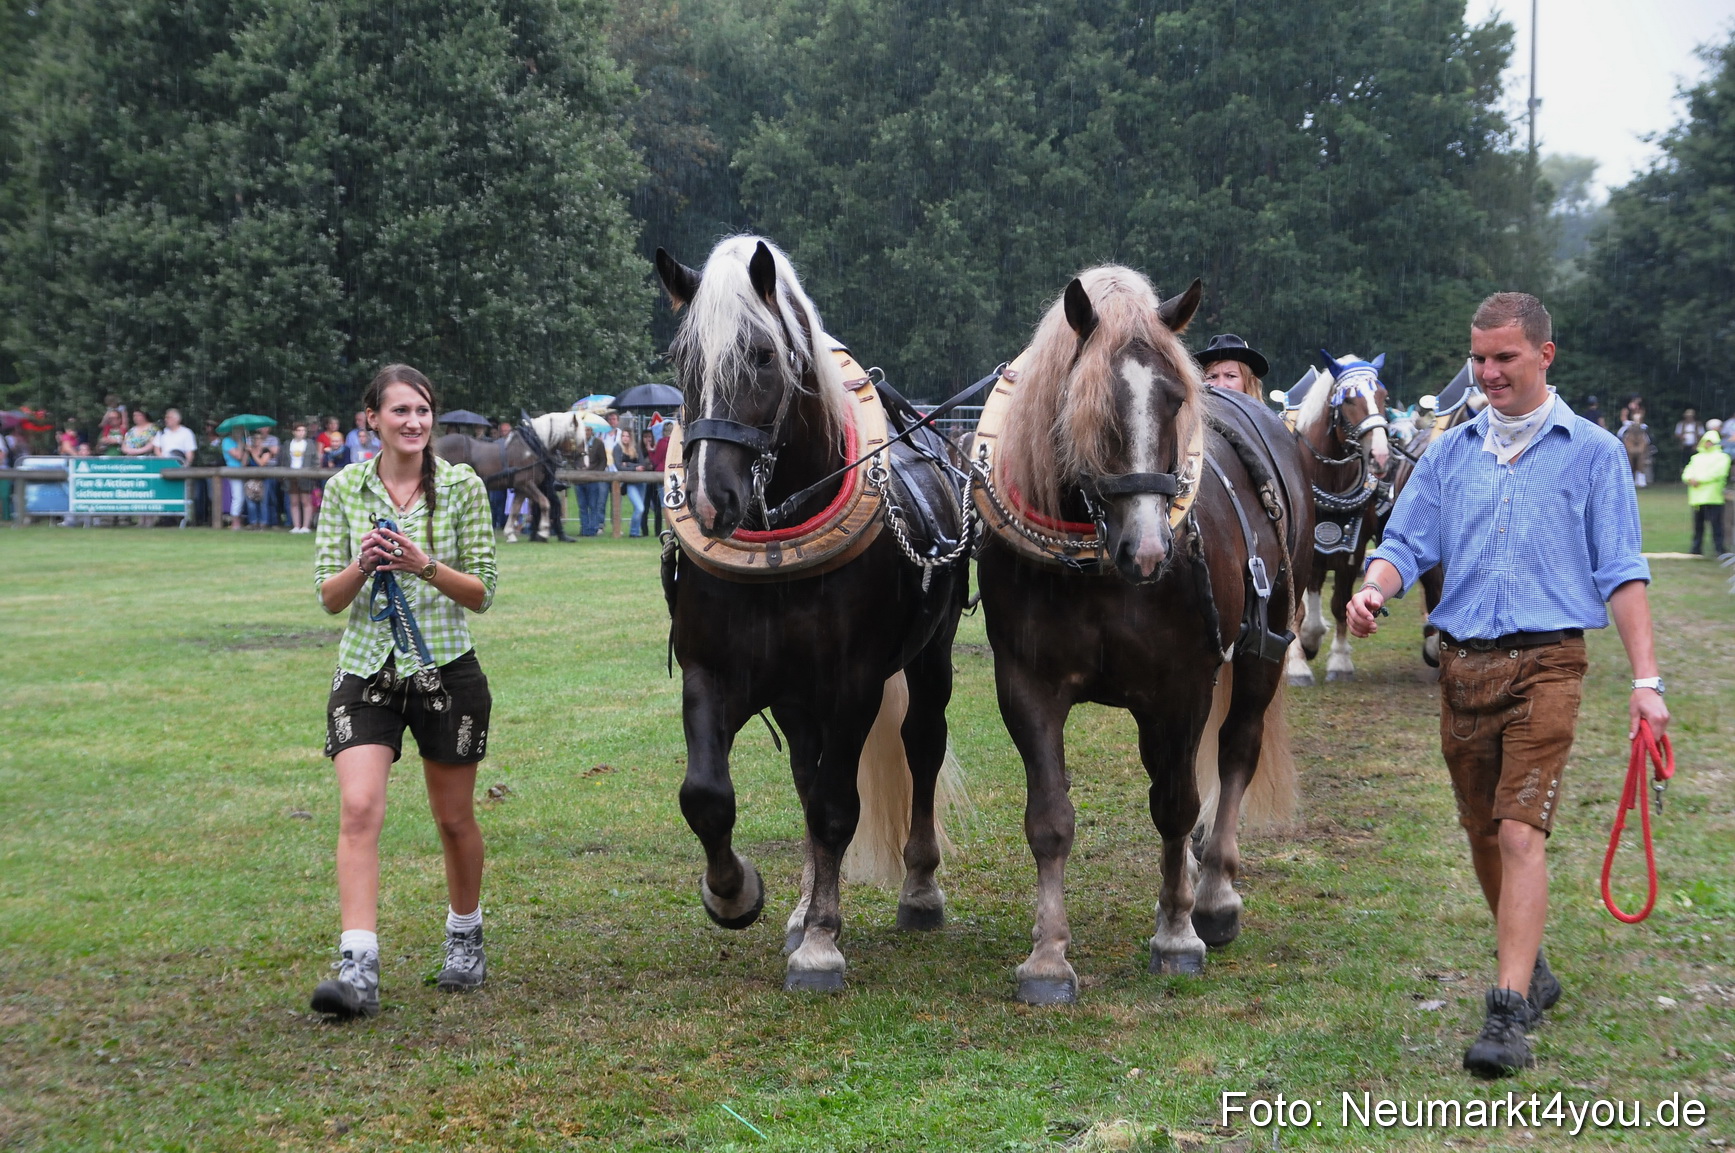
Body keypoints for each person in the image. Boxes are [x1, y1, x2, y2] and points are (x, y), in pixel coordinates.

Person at [1347, 293, 1668, 1078]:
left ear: (1543, 355)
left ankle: (1505, 1011)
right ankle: (1532, 967)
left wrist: (1646, 681)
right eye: (1478, 358)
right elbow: (1405, 540)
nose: (1486, 373)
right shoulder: (1449, 454)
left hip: (1548, 662)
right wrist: (1373, 587)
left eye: (1503, 358)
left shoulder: (1591, 452)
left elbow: (1621, 571)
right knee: (1483, 832)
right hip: (1461, 666)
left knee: (1521, 831)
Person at [309, 363, 498, 1020]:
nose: (414, 422)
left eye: (422, 410)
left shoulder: (462, 487)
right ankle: (357, 968)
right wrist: (362, 564)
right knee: (359, 808)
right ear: (372, 419)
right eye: (399, 412)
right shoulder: (344, 489)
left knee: (452, 819)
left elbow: (482, 591)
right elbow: (328, 599)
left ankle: (465, 936)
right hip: (367, 670)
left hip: (447, 669)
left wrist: (423, 564)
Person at [1683, 428, 1730, 557]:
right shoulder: (1696, 457)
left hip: (1713, 497)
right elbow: (1688, 471)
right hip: (1697, 498)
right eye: (1706, 441)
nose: (1708, 444)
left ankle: (1719, 549)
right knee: (1698, 526)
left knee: (1716, 525)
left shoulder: (1723, 457)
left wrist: (1699, 480)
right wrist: (1689, 478)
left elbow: (1718, 473)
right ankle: (1696, 548)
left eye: (1711, 442)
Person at [1195, 333, 1270, 400]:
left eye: (1230, 376)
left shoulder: (1264, 415)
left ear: (1249, 383)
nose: (1221, 386)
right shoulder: (1187, 415)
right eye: (1212, 377)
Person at [577, 423, 609, 536]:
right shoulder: (577, 443)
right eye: (584, 430)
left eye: (588, 430)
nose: (586, 433)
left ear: (592, 431)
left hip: (593, 480)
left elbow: (603, 461)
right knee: (582, 506)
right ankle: (584, 529)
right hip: (579, 480)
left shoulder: (598, 443)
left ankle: (593, 529)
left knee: (593, 505)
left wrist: (597, 473)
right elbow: (573, 459)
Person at [286, 421, 317, 533]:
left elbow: (315, 460)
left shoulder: (310, 443)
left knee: (306, 501)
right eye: (299, 430)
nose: (301, 433)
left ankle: (305, 526)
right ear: (294, 432)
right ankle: (296, 526)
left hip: (306, 475)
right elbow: (283, 460)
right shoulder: (288, 444)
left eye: (303, 430)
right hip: (291, 475)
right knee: (294, 501)